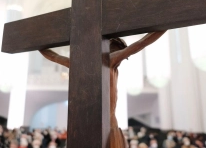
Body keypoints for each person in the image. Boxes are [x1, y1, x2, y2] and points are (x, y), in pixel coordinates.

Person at [39, 31, 167, 148]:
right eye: (120, 52)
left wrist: (39, 46)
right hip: (106, 123)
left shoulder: (87, 64)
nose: (122, 58)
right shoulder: (109, 60)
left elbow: (54, 57)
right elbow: (141, 43)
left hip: (95, 121)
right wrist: (164, 26)